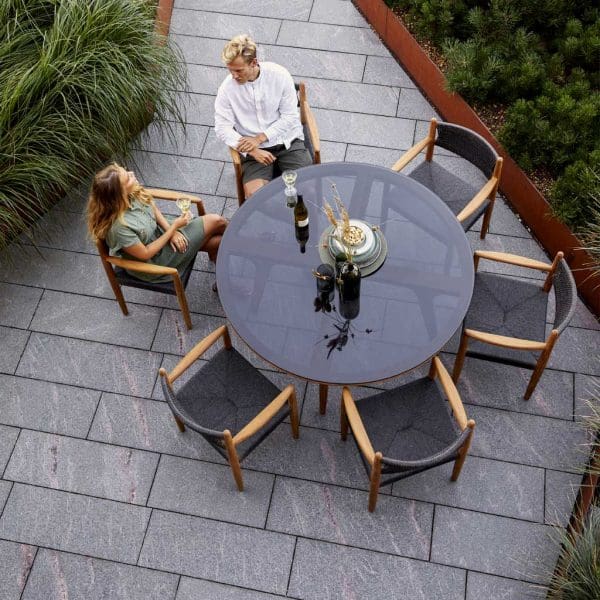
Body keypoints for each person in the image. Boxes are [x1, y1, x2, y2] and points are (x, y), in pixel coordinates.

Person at [87, 163, 227, 286]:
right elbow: (145, 254)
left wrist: (170, 230)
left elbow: (151, 205)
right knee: (217, 221)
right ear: (119, 194)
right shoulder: (119, 228)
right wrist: (173, 228)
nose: (132, 173)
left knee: (218, 239)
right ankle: (243, 247)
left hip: (162, 231)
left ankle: (224, 273)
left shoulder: (131, 193)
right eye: (128, 178)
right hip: (157, 259)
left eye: (126, 171)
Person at [214, 34, 311, 199]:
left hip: (287, 142)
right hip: (254, 151)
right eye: (230, 70)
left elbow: (290, 117)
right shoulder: (226, 89)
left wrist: (259, 138)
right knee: (255, 197)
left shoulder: (280, 75)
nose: (234, 76)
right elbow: (222, 128)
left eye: (238, 70)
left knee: (308, 190)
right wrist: (253, 149)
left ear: (253, 63)